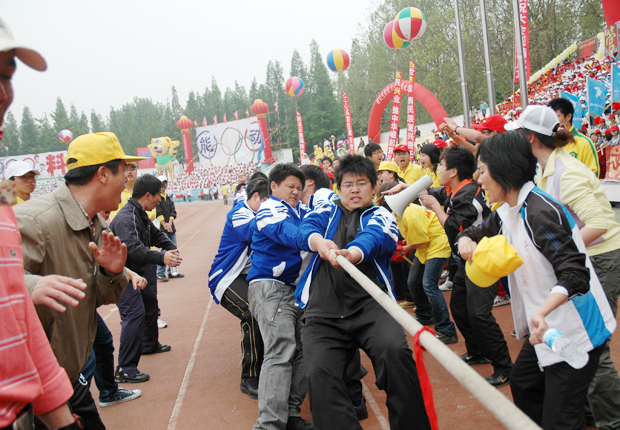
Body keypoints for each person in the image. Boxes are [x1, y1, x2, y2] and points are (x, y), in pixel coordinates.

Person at [458, 132, 616, 430]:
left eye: (483, 170)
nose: (479, 179)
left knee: (561, 417)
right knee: (524, 384)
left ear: (503, 170)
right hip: (548, 328)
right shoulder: (508, 210)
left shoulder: (540, 212)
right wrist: (466, 239)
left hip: (575, 329)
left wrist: (542, 312)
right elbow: (476, 230)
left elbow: (575, 274)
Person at [295, 155, 431, 430]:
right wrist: (319, 242)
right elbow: (306, 229)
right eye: (348, 184)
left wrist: (353, 253)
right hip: (323, 313)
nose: (354, 190)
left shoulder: (382, 215)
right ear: (338, 189)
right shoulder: (326, 211)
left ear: (373, 187)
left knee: (396, 355)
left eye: (362, 183)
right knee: (319, 374)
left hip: (371, 307)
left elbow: (375, 238)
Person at [507, 104, 620, 429]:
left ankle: (612, 419)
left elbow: (599, 222)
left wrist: (559, 248)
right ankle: (585, 412)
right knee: (578, 342)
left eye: (517, 134)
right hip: (582, 257)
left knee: (592, 344)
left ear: (529, 138)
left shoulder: (566, 173)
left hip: (600, 257)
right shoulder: (545, 169)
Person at [16, 131, 139, 429]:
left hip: (69, 373)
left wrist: (111, 273)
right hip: (34, 387)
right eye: (124, 170)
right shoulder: (33, 220)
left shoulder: (97, 224)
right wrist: (30, 286)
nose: (128, 179)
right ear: (103, 174)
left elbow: (100, 298)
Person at [0, 18, 80, 430]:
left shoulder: (5, 208)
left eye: (6, 76)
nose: (3, 93)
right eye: (24, 178)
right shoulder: (27, 212)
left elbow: (14, 308)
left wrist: (60, 417)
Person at [419, 147, 513, 387]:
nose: (437, 170)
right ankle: (477, 350)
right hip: (466, 261)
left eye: (441, 166)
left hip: (483, 260)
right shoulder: (456, 189)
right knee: (459, 307)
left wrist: (436, 206)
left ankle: (504, 367)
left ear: (453, 171)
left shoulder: (468, 195)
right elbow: (437, 192)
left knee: (479, 314)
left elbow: (453, 228)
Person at [246, 163, 313, 430]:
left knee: (310, 346)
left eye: (299, 187)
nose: (295, 191)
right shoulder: (270, 208)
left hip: (295, 290)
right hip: (270, 287)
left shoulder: (302, 211)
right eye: (290, 186)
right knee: (281, 348)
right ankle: (269, 425)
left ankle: (290, 413)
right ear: (273, 186)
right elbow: (288, 234)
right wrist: (316, 240)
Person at [110, 174, 181, 383]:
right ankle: (125, 368)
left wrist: (170, 247)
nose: (160, 200)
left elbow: (154, 234)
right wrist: (161, 257)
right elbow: (133, 248)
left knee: (150, 306)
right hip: (123, 274)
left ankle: (149, 345)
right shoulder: (126, 218)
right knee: (134, 314)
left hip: (140, 270)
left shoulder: (140, 214)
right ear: (148, 195)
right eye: (159, 195)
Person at [209, 178, 269, 400]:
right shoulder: (240, 213)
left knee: (272, 308)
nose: (269, 208)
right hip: (226, 278)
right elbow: (253, 232)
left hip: (248, 277)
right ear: (255, 197)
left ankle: (272, 365)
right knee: (252, 313)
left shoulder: (254, 210)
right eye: (267, 203)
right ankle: (250, 377)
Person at [377, 181, 458, 345]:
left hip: (437, 243)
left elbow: (420, 240)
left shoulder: (409, 213)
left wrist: (402, 249)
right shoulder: (399, 212)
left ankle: (446, 329)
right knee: (413, 281)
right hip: (426, 246)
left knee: (429, 284)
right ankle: (425, 314)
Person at [548, 98, 599, 176]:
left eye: (557, 116)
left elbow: (593, 174)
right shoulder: (547, 143)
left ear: (568, 117)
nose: (554, 120)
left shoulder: (584, 143)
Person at [156, 175, 184, 281]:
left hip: (170, 227)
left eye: (165, 183)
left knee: (173, 249)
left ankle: (172, 271)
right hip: (162, 228)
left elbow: (173, 211)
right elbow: (158, 213)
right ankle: (160, 273)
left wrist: (170, 223)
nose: (164, 185)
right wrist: (165, 225)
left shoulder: (169, 198)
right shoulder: (157, 198)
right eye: (162, 183)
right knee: (164, 250)